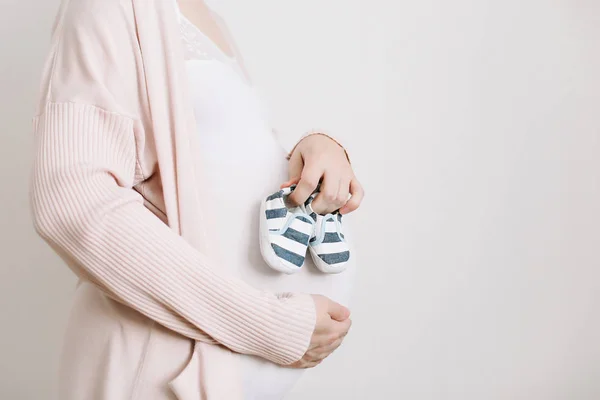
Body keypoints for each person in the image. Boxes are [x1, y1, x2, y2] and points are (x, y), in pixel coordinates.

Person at [30, 0, 364, 398]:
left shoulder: (210, 18)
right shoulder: (110, 6)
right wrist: (268, 324)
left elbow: (212, 171)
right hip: (151, 370)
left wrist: (308, 152)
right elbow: (73, 202)